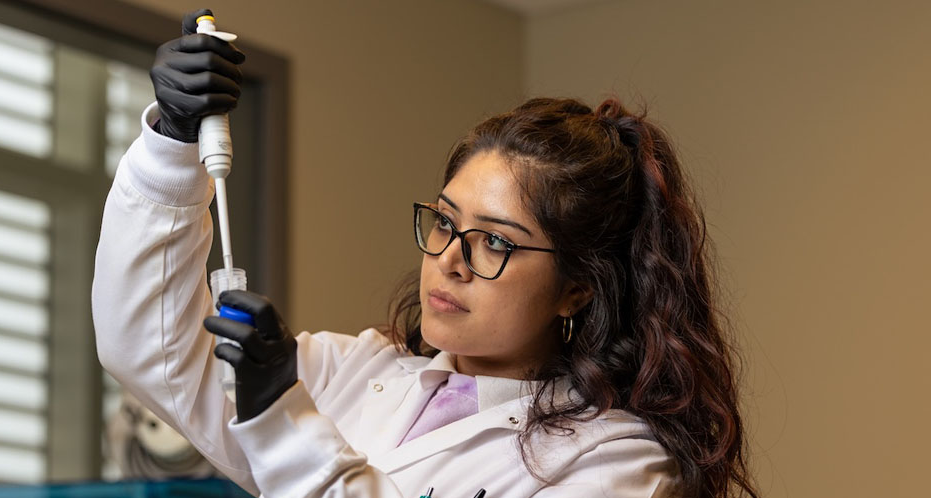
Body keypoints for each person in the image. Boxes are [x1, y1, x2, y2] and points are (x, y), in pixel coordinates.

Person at [92, 9, 759, 498]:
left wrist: (283, 420)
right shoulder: (352, 373)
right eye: (445, 223)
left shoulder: (618, 467)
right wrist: (172, 149)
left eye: (495, 241)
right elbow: (150, 350)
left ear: (577, 287)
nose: (450, 259)